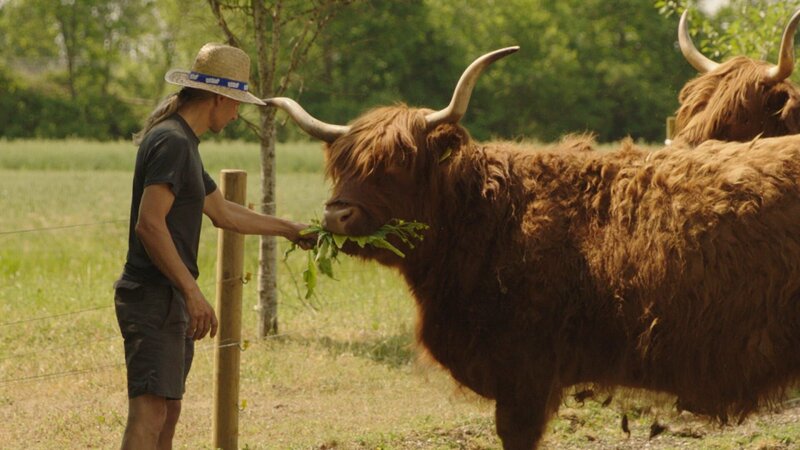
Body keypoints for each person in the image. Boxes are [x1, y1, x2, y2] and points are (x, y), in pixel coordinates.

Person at [113, 42, 312, 450]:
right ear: (219, 98)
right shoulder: (173, 143)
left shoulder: (182, 143)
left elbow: (223, 213)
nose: (237, 114)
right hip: (153, 296)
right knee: (149, 414)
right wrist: (192, 291)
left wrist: (290, 228)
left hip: (168, 298)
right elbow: (149, 225)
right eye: (236, 103)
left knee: (166, 413)